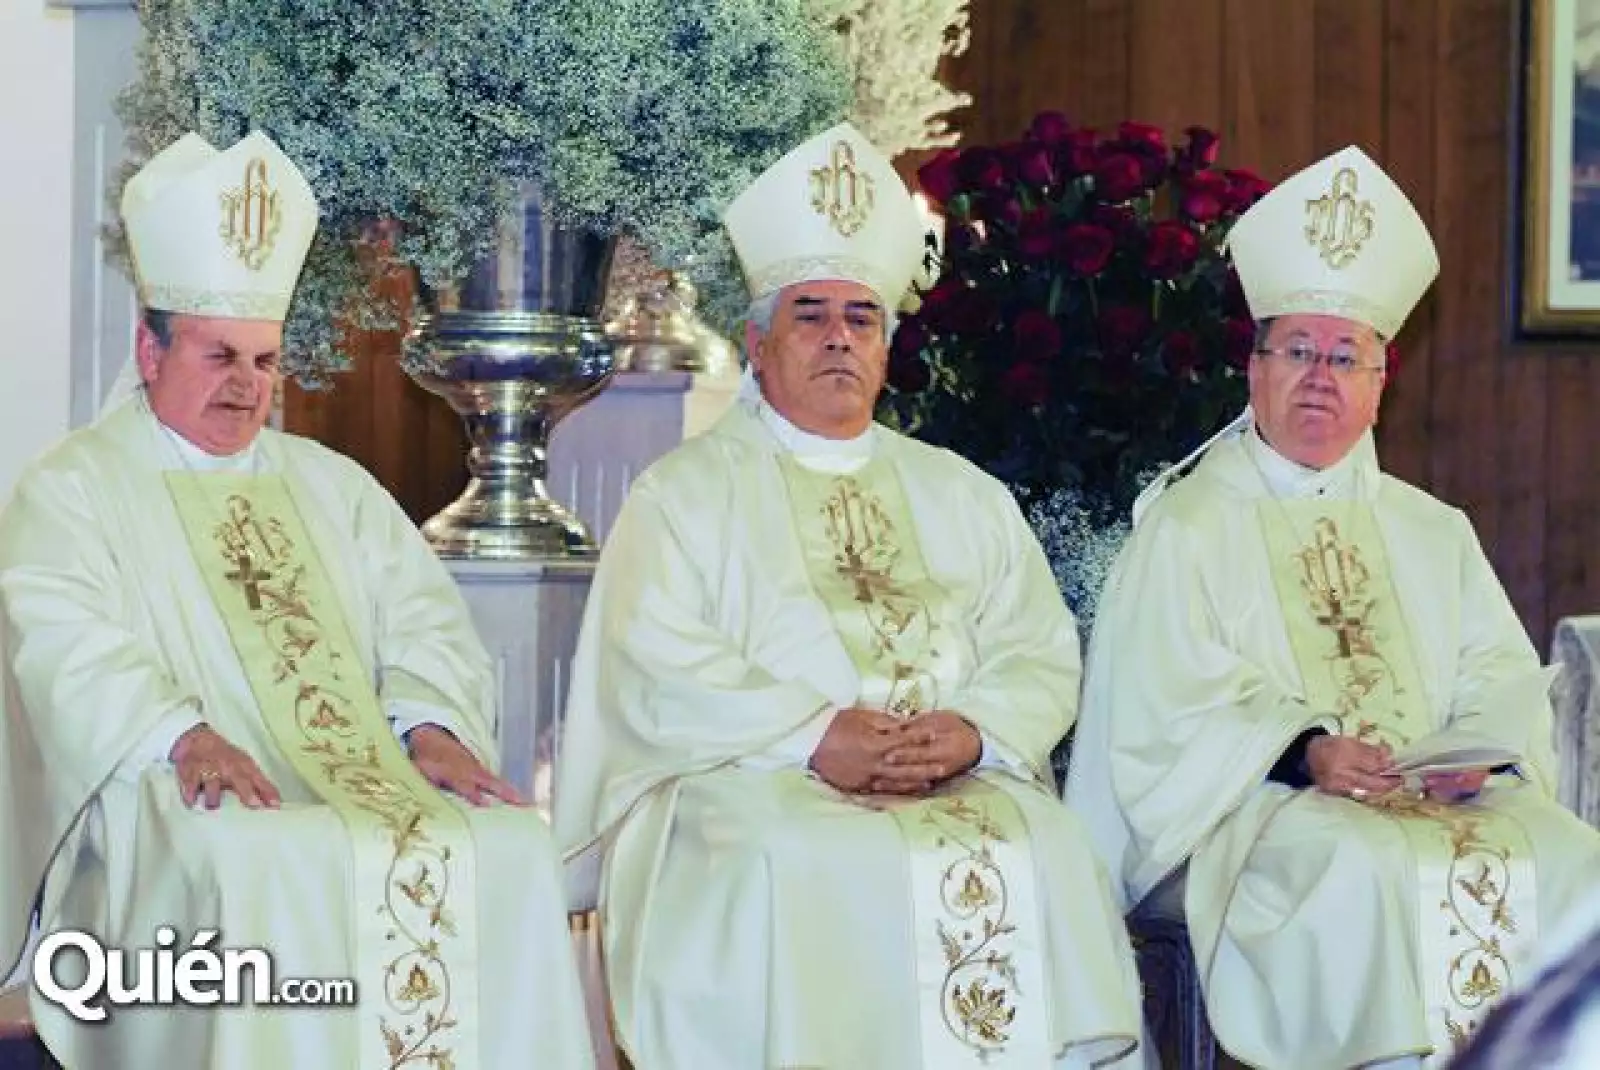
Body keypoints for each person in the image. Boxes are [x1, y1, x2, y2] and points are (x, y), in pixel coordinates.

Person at [552, 121, 1144, 1069]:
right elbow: (655, 660)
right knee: (797, 859)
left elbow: (1036, 647)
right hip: (754, 781)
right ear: (757, 344)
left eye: (859, 318)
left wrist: (977, 731)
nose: (838, 338)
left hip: (956, 771)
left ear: (885, 346)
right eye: (810, 315)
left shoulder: (961, 492)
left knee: (1049, 845)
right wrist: (811, 733)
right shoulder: (685, 494)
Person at [0, 130, 596, 1069]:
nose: (245, 387)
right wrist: (180, 734)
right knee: (254, 863)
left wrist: (428, 726)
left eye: (265, 362)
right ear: (149, 351)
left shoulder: (332, 485)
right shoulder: (71, 487)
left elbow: (422, 619)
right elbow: (65, 644)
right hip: (166, 780)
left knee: (511, 850)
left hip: (362, 777)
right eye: (218, 356)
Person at [1065, 145, 1600, 1070]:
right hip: (1262, 812)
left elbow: (1501, 675)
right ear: (1255, 369)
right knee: (1366, 869)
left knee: (1577, 860)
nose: (1320, 375)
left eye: (1345, 355)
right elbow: (1166, 708)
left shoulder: (1432, 529)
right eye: (1299, 350)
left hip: (1435, 797)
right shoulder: (1188, 524)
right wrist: (1307, 751)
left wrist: (1470, 758)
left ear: (1380, 380)